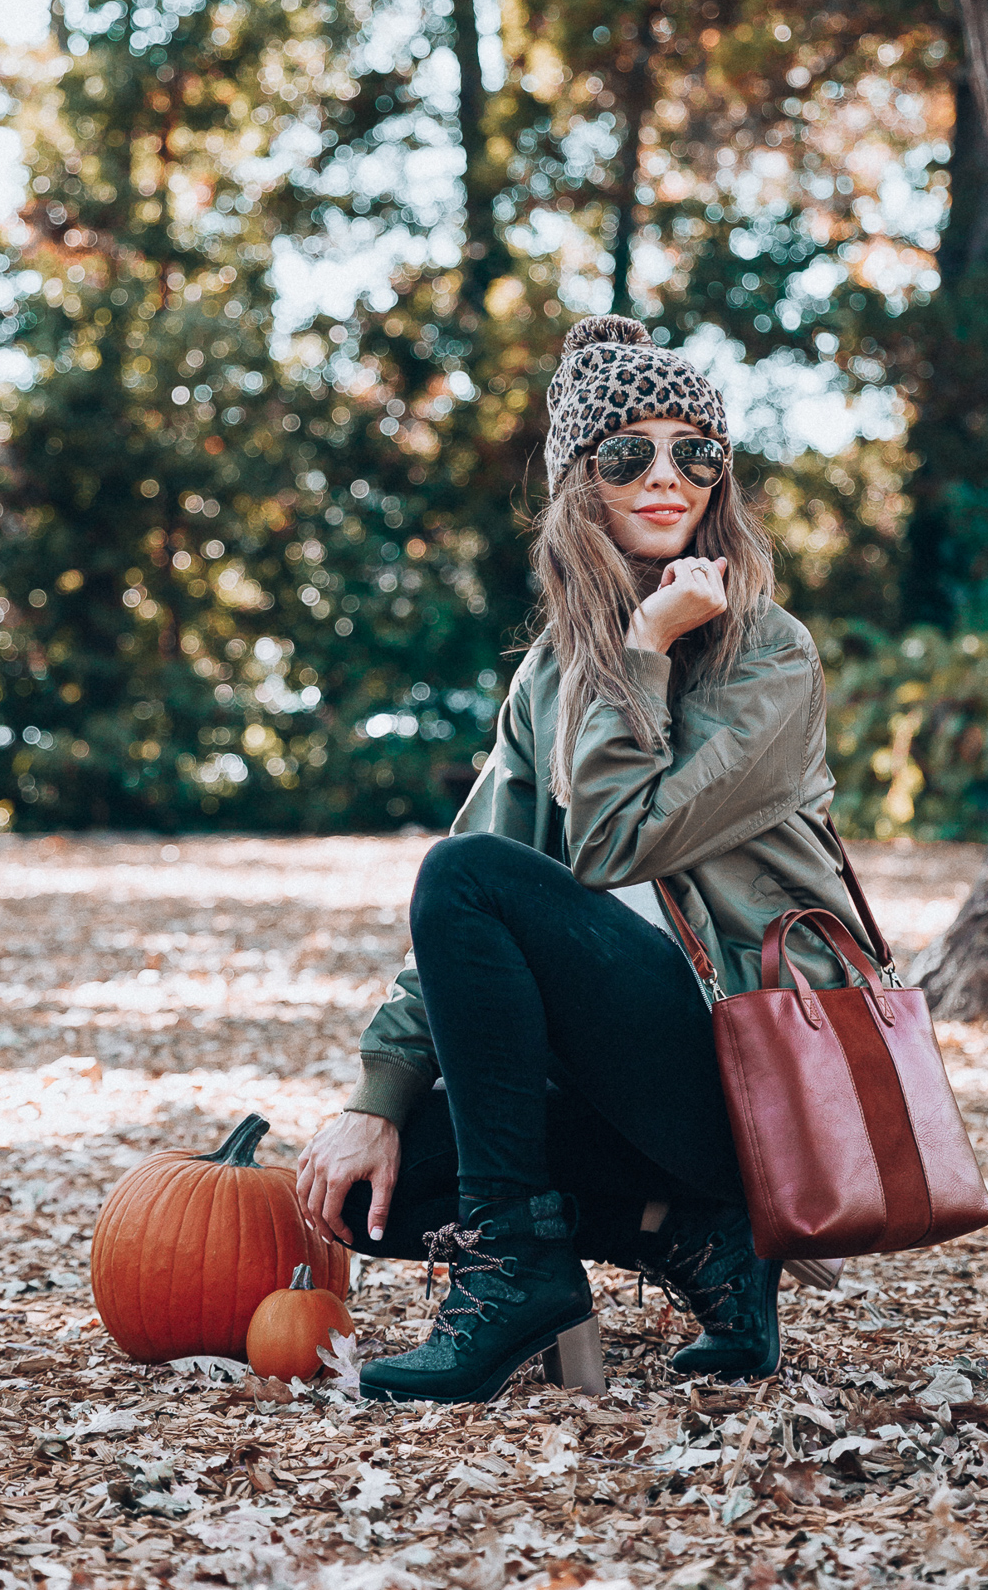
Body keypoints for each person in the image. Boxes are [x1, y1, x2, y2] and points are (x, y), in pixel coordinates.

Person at [294, 313, 883, 1405]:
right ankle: (696, 1240)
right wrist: (376, 1094)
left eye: (694, 452)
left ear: (723, 479)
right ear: (582, 486)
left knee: (461, 874)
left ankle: (520, 1265)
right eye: (629, 454)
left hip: (754, 1077)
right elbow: (474, 911)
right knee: (380, 1189)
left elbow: (618, 837)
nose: (668, 477)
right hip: (628, 1079)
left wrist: (645, 651)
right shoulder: (552, 678)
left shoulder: (770, 654)